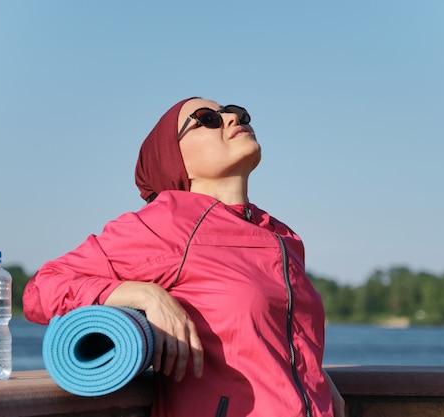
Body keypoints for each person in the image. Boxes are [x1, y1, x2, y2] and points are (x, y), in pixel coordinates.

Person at [23, 97, 345, 417]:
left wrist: (320, 386)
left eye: (236, 112)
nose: (233, 118)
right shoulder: (168, 223)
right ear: (173, 159)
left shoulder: (282, 236)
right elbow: (42, 288)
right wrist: (144, 293)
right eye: (207, 119)